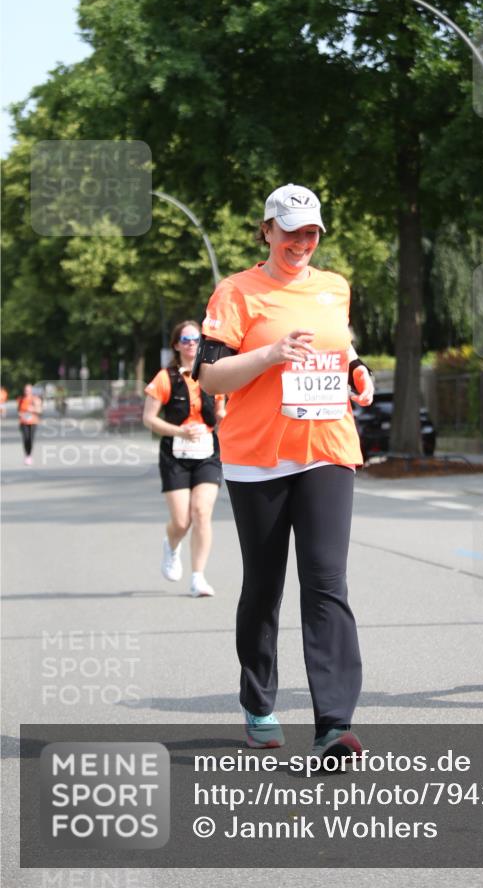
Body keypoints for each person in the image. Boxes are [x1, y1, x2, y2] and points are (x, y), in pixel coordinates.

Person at [196, 183, 374, 760]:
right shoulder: (237, 293)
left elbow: (339, 346)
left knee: (327, 582)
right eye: (290, 230)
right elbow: (211, 376)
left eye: (311, 232)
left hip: (327, 446)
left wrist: (358, 369)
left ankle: (333, 722)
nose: (301, 242)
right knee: (266, 585)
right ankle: (259, 703)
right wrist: (270, 356)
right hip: (257, 458)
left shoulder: (334, 288)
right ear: (266, 229)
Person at [143, 320, 225, 598]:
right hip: (175, 453)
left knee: (201, 512)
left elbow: (222, 412)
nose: (192, 344)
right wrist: (179, 431)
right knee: (181, 521)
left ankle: (198, 577)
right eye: (186, 339)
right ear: (177, 345)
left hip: (208, 453)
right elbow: (149, 419)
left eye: (196, 339)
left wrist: (224, 420)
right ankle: (172, 545)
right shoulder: (164, 378)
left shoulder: (213, 375)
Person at [17, 384, 42, 465]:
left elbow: (40, 410)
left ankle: (29, 454)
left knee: (30, 439)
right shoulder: (21, 399)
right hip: (23, 422)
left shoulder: (36, 399)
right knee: (25, 439)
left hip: (33, 422)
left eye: (28, 390)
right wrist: (21, 414)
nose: (27, 392)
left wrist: (33, 409)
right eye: (26, 390)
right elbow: (19, 411)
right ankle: (27, 455)